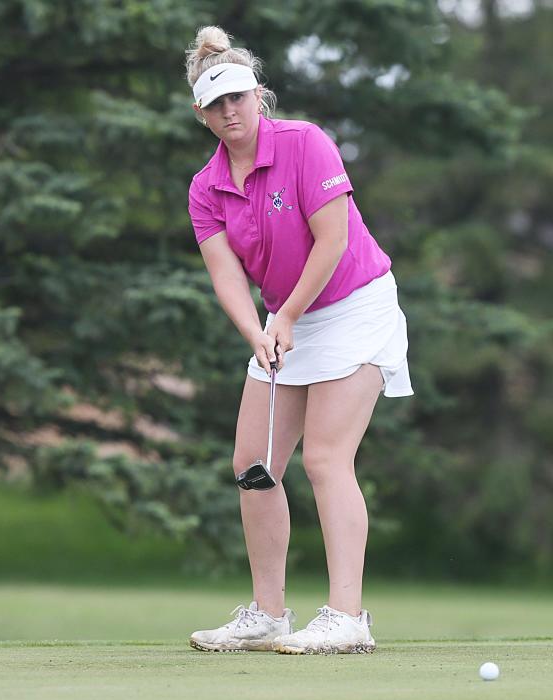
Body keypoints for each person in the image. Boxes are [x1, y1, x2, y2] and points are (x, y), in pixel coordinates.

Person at [184, 26, 413, 655]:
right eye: (216, 103)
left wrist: (283, 316)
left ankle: (347, 618)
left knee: (324, 458)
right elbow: (226, 274)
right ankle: (268, 612)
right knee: (252, 466)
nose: (230, 110)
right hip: (286, 320)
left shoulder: (305, 143)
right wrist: (259, 330)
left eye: (239, 96)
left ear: (259, 95)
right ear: (201, 115)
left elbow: (333, 241)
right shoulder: (207, 188)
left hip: (354, 305)